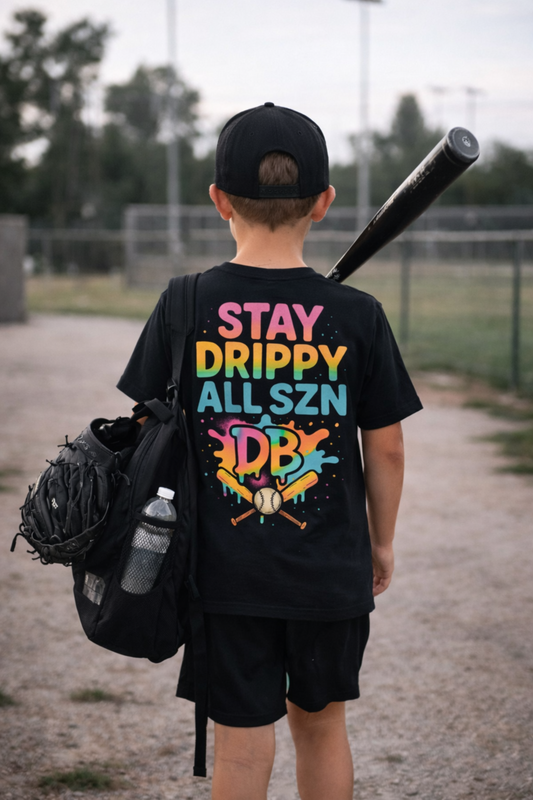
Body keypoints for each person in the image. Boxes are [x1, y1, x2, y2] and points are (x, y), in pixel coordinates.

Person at [117, 102, 423, 800]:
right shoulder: (357, 314)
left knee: (240, 745)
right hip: (329, 571)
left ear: (218, 199)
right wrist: (380, 543)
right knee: (323, 727)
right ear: (323, 202)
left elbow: (143, 428)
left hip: (221, 572)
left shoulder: (184, 302)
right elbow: (387, 448)